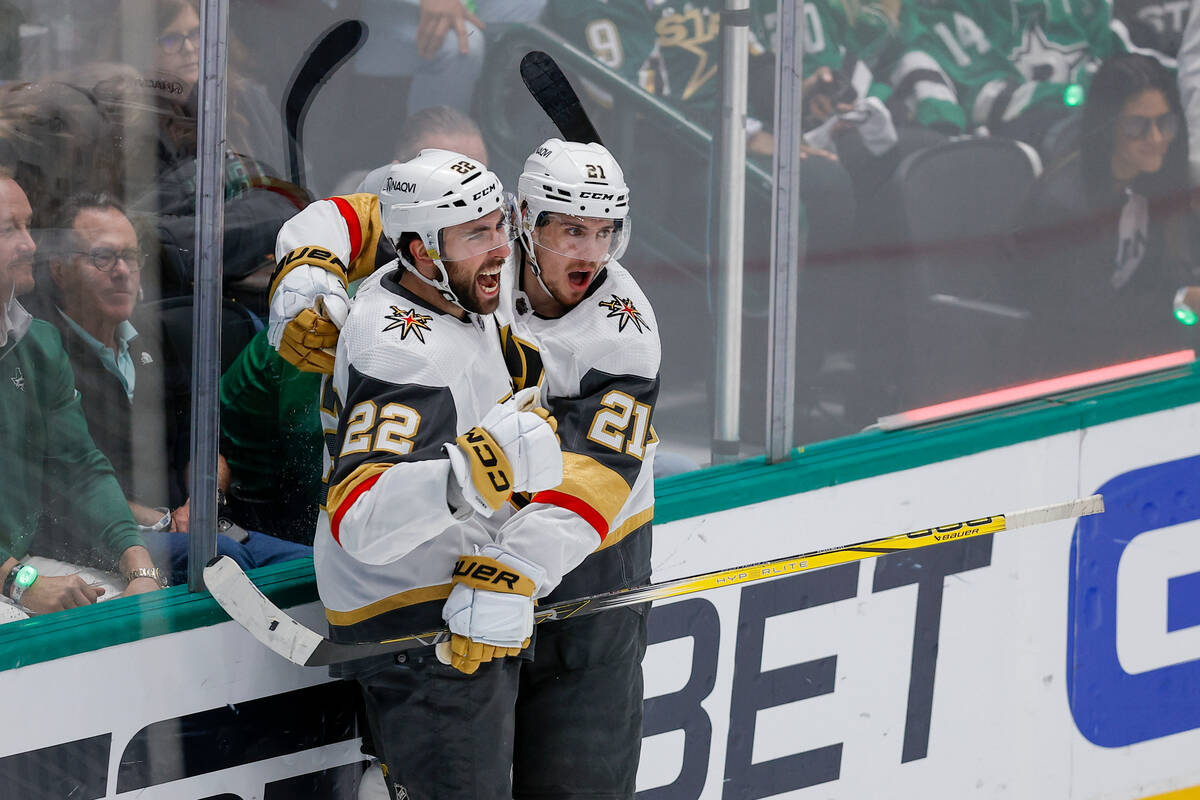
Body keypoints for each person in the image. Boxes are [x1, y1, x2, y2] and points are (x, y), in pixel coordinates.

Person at [268, 138, 661, 798]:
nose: (591, 253)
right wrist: (305, 271)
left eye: (604, 233)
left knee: (583, 778)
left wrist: (515, 571)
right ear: (525, 220)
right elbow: (360, 215)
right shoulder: (471, 256)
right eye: (571, 230)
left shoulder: (623, 328)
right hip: (439, 562)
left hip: (593, 559)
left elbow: (600, 470)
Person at [31, 193, 312, 584]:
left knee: (312, 568)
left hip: (189, 526)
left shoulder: (153, 335)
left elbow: (199, 446)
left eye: (131, 256)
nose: (123, 271)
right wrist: (166, 521)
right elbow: (64, 487)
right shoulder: (41, 352)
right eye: (103, 257)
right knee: (224, 560)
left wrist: (203, 503)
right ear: (59, 269)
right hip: (103, 537)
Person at [0, 170, 163, 621]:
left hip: (15, 564)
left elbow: (81, 470)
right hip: (10, 572)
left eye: (28, 226)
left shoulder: (37, 343)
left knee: (132, 612)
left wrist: (140, 565)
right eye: (8, 229)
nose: (30, 245)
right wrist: (18, 581)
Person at [1013, 53, 1196, 376]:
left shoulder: (1152, 181)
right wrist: (1178, 301)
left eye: (1165, 123)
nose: (1155, 139)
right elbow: (1085, 315)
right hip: (1072, 368)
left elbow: (1164, 274)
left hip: (1136, 349)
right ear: (1108, 126)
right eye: (1138, 126)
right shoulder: (1063, 206)